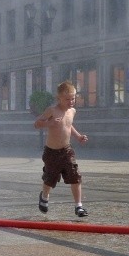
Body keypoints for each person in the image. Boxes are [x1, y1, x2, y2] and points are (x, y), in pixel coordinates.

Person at [34, 80, 89, 217]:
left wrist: (78, 136)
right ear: (59, 98)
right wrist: (49, 123)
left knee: (75, 175)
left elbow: (68, 125)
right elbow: (37, 123)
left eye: (73, 99)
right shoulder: (52, 110)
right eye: (67, 99)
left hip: (66, 150)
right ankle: (44, 196)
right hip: (51, 151)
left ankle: (79, 206)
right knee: (50, 178)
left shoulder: (72, 111)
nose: (71, 102)